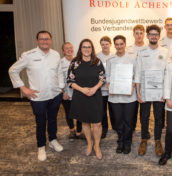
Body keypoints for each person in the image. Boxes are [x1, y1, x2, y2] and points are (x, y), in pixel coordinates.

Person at [9, 30, 64, 161]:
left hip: (55, 95)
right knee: (40, 122)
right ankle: (41, 146)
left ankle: (52, 140)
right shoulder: (29, 55)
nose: (45, 41)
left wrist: (61, 87)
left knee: (52, 119)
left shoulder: (55, 54)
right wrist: (24, 89)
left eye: (47, 39)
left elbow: (60, 72)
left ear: (51, 40)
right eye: (42, 39)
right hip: (38, 97)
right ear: (37, 41)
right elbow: (13, 70)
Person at [67, 39, 105, 160]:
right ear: (80, 49)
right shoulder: (75, 62)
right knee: (85, 122)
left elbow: (103, 78)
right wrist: (82, 89)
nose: (86, 49)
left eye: (89, 47)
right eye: (84, 47)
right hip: (80, 95)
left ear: (92, 49)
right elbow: (70, 80)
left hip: (95, 95)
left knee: (98, 123)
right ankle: (89, 143)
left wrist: (94, 88)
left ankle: (97, 146)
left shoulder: (97, 61)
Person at [135, 24, 170, 157]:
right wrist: (138, 93)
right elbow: (138, 73)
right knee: (144, 117)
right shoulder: (142, 52)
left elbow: (167, 74)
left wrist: (165, 94)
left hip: (159, 93)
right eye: (151, 34)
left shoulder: (165, 52)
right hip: (144, 91)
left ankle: (157, 140)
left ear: (159, 37)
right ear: (147, 36)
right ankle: (144, 139)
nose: (154, 36)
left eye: (156, 34)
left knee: (159, 117)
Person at [106, 35, 137, 154]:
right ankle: (120, 141)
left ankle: (128, 142)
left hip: (129, 96)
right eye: (117, 44)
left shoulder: (132, 59)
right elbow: (108, 76)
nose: (119, 46)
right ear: (114, 45)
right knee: (118, 121)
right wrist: (109, 84)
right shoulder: (110, 60)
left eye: (121, 44)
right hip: (115, 97)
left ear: (125, 44)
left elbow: (136, 75)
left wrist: (132, 85)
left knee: (128, 121)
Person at [59, 42, 83, 139]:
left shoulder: (79, 61)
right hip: (66, 93)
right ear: (63, 51)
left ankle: (79, 131)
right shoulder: (60, 63)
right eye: (66, 48)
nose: (69, 50)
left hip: (78, 92)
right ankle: (72, 130)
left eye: (71, 48)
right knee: (68, 112)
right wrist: (63, 92)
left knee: (80, 113)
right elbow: (58, 79)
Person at [126, 25, 147, 131]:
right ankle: (132, 128)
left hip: (144, 84)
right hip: (131, 84)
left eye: (141, 33)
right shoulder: (128, 49)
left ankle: (144, 130)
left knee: (144, 111)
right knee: (132, 109)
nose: (139, 35)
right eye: (137, 33)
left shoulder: (148, 48)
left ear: (144, 34)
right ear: (133, 34)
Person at [97, 36, 115, 138]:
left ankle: (115, 127)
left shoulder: (114, 55)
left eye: (106, 44)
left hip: (112, 89)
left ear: (110, 44)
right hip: (101, 89)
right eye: (103, 44)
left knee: (113, 110)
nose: (105, 46)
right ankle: (104, 128)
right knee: (102, 110)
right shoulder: (96, 56)